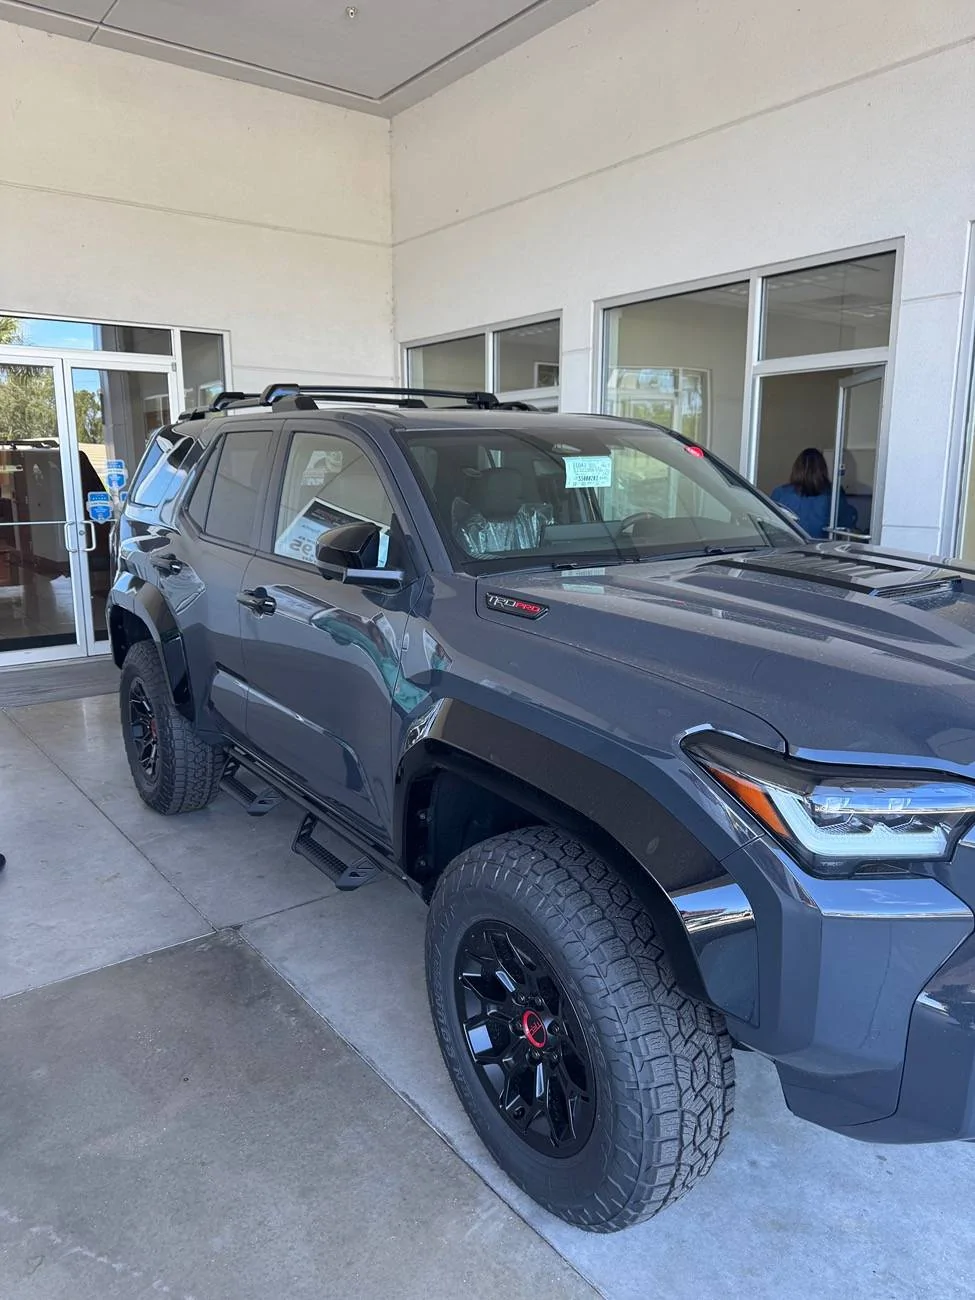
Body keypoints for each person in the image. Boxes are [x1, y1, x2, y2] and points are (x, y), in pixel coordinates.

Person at [771, 447, 857, 540]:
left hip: (788, 548)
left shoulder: (780, 493)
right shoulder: (834, 493)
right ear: (823, 469)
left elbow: (769, 525)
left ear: (796, 469)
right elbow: (845, 524)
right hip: (822, 549)